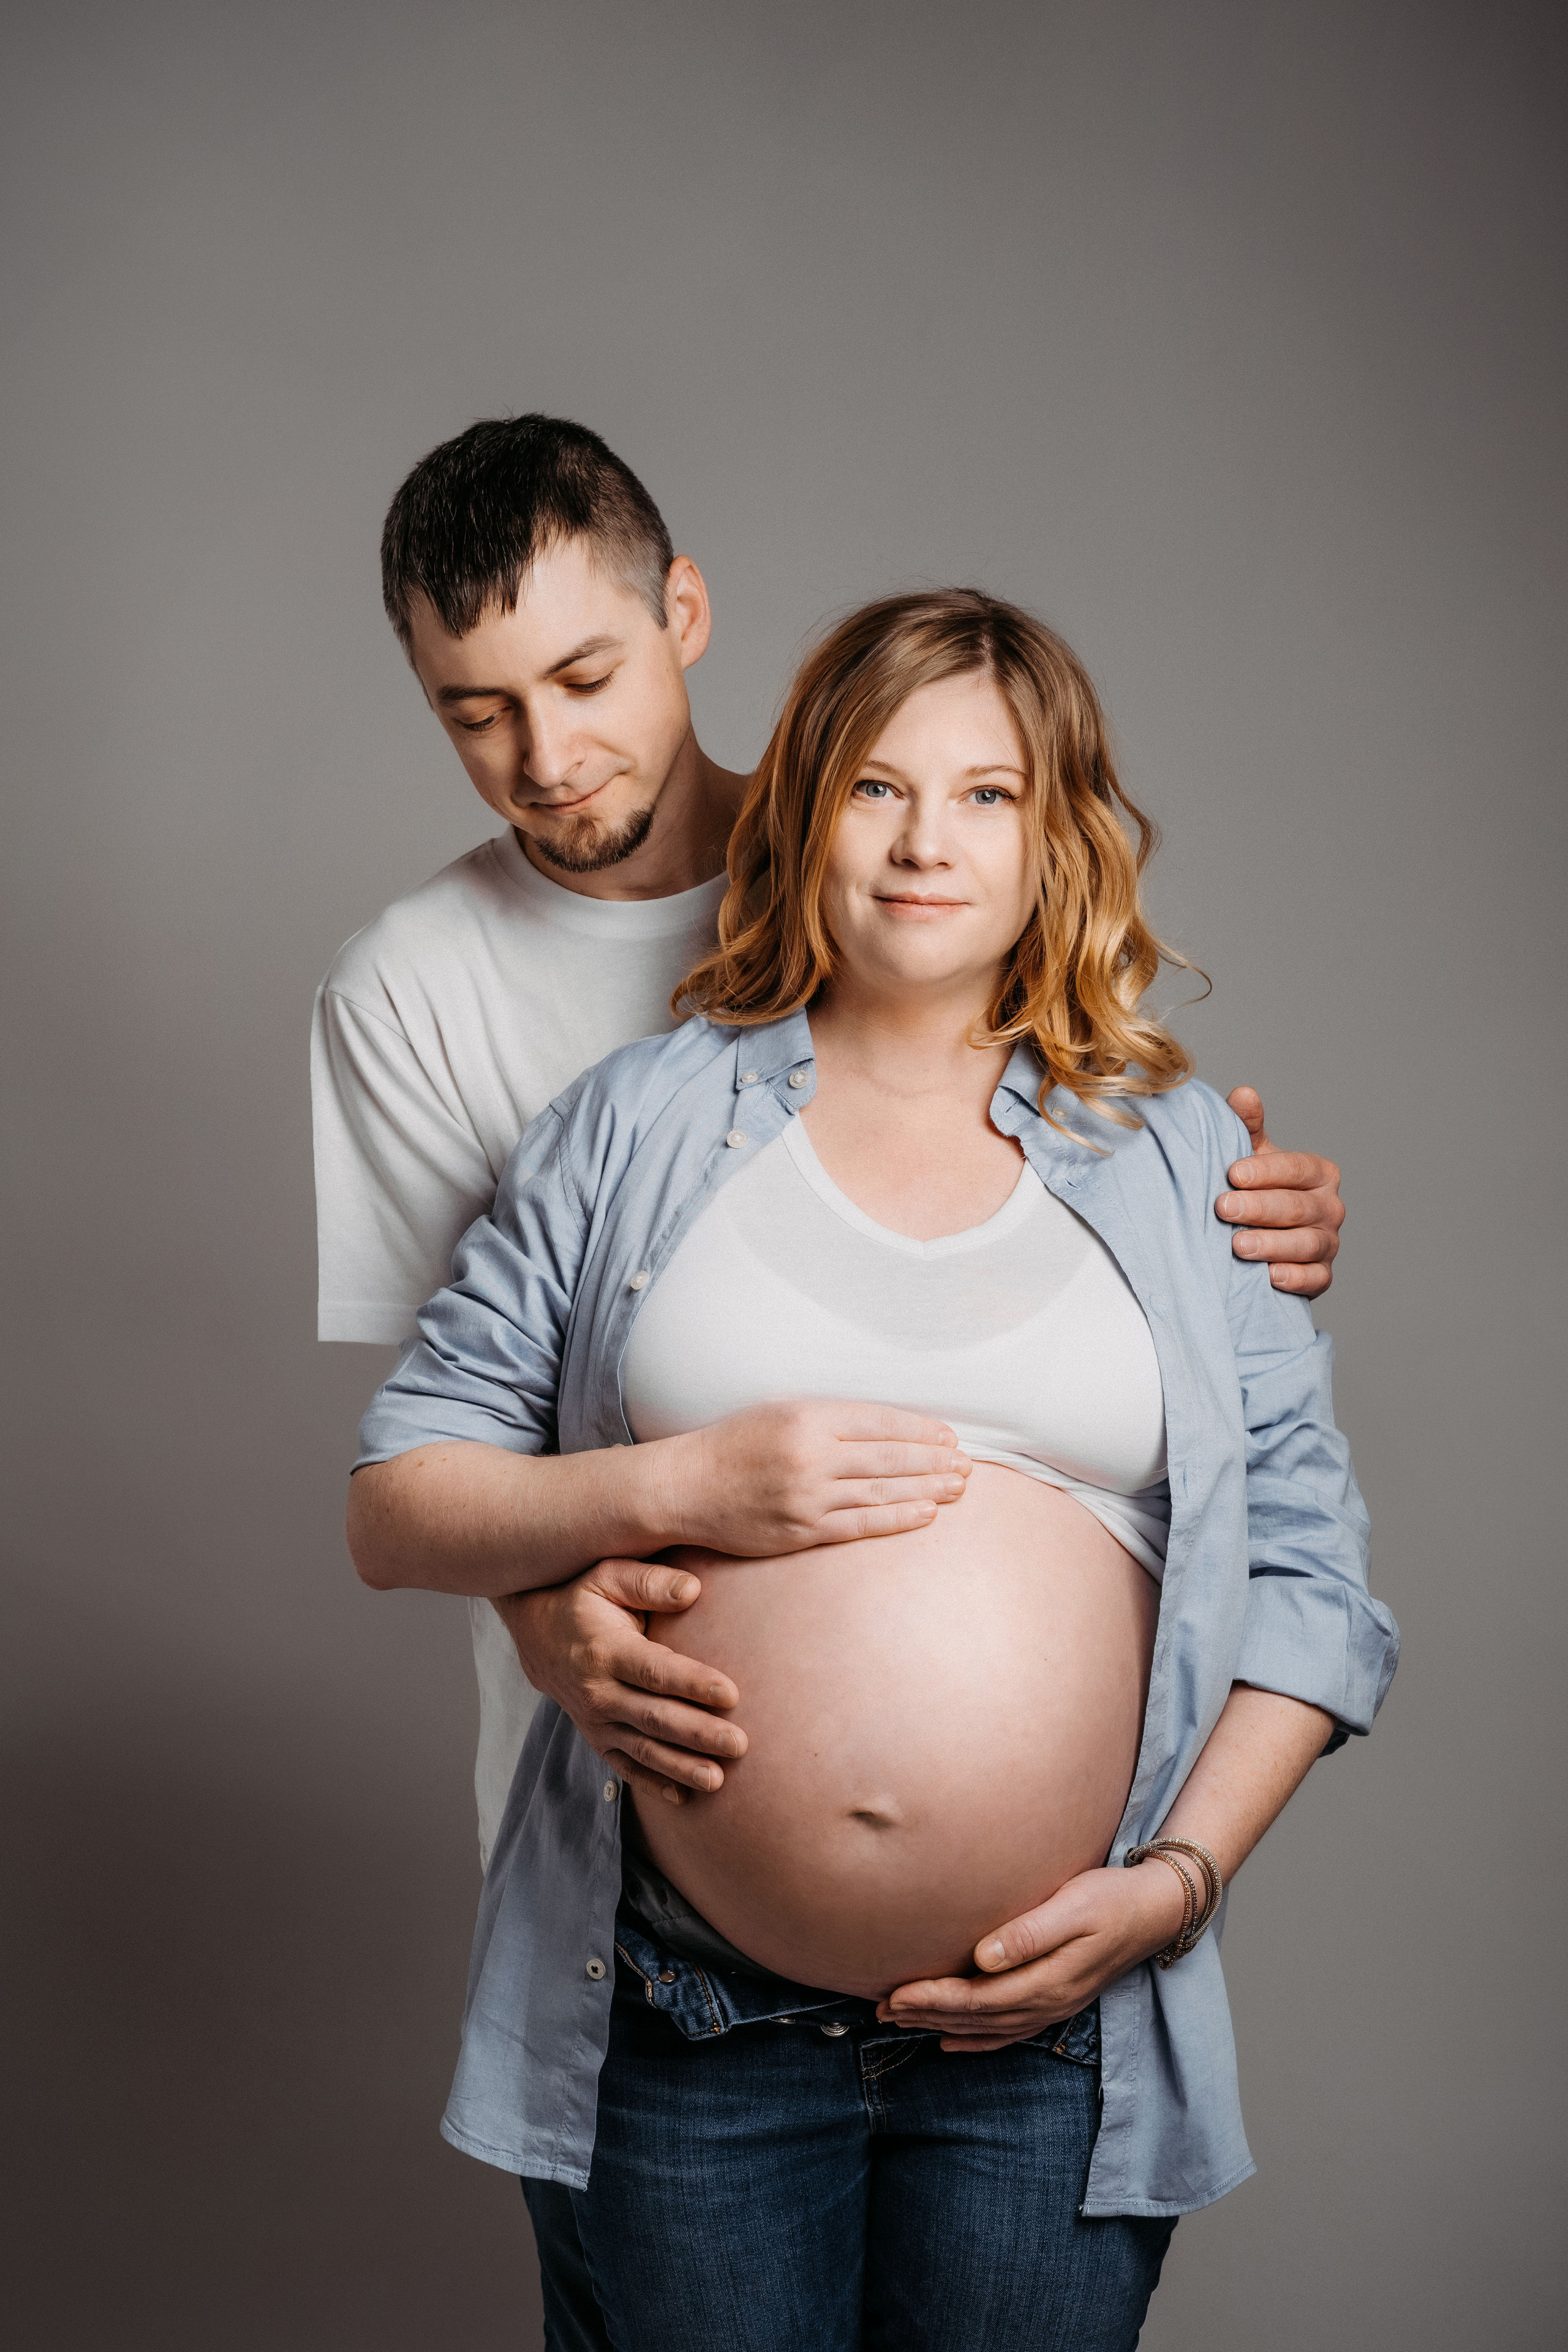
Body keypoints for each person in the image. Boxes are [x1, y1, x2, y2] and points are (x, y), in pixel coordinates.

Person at [347, 587, 1398, 2351]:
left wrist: (1171, 1889)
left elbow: (1314, 1580)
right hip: (688, 2026)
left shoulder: (1183, 1163)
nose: (927, 843)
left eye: (988, 796)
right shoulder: (640, 1124)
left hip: (1055, 2037)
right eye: (878, 789)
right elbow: (398, 1498)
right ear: (806, 806)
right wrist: (681, 1487)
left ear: (1057, 839)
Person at [314, 415, 1349, 1888]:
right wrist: (560, 1625)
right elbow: (441, 1459)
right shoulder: (417, 993)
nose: (543, 758)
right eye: (474, 713)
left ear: (682, 613)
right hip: (650, 1809)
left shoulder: (899, 866)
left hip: (1053, 1919)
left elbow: (1280, 1509)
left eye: (585, 677)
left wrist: (1222, 1214)